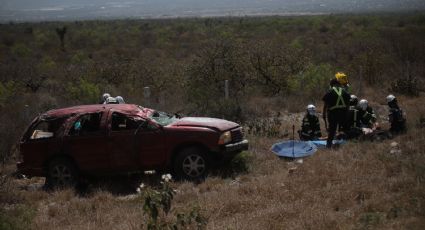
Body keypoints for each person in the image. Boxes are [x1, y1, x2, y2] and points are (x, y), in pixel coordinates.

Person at [322, 78, 350, 148]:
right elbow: (348, 103)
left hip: (333, 114)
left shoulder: (330, 91)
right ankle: (346, 143)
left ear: (332, 84)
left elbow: (326, 104)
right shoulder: (344, 91)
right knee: (344, 129)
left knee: (332, 130)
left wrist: (324, 114)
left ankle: (329, 145)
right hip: (343, 113)